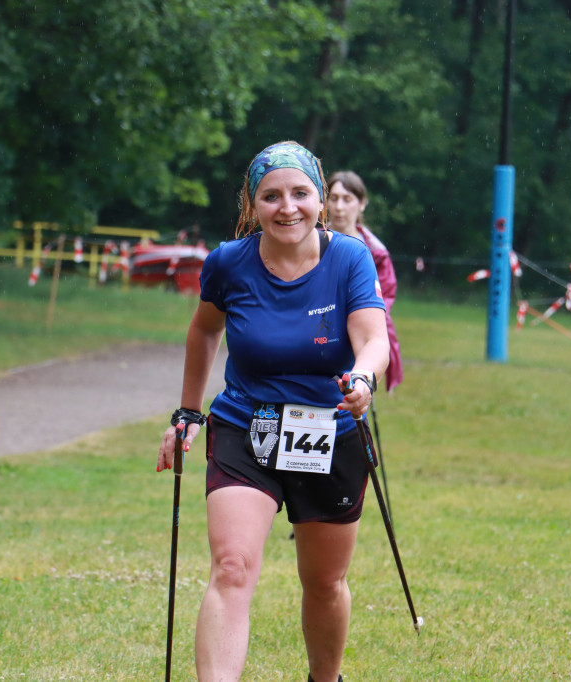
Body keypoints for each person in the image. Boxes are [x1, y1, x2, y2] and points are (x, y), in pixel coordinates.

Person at [157, 141, 389, 682]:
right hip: (245, 425)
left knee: (325, 581)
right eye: (271, 196)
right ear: (252, 204)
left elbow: (372, 336)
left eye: (301, 193)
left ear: (320, 198)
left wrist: (362, 376)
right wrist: (189, 412)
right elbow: (204, 329)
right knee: (232, 567)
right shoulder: (229, 264)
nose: (288, 207)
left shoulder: (349, 258)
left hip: (328, 429)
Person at [326, 171, 403, 393]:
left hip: (358, 338)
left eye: (347, 199)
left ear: (362, 204)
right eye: (333, 198)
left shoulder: (376, 252)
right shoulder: (307, 241)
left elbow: (385, 296)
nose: (339, 207)